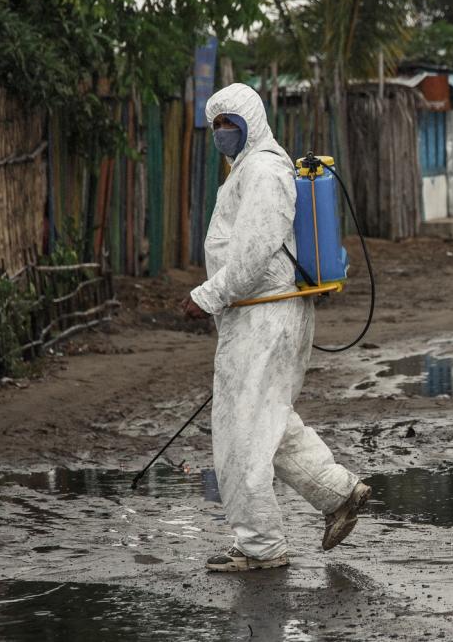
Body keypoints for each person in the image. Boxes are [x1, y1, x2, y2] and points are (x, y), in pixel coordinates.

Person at [180, 83, 370, 572]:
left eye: (230, 123)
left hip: (265, 315)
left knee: (242, 435)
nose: (222, 132)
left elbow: (251, 255)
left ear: (251, 123)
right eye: (216, 124)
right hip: (257, 314)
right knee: (268, 422)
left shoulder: (263, 169)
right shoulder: (250, 166)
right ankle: (339, 494)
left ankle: (260, 548)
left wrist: (205, 296)